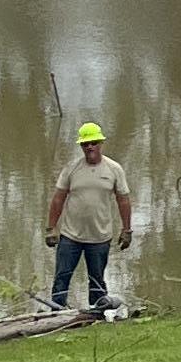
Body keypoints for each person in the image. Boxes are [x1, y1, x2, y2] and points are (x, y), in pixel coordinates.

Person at [45, 122, 134, 310]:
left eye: (93, 143)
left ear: (100, 143)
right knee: (62, 277)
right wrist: (51, 227)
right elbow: (58, 199)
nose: (90, 147)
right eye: (85, 144)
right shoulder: (71, 168)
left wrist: (127, 230)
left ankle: (98, 313)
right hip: (71, 236)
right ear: (81, 146)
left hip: (99, 237)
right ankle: (56, 313)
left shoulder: (114, 169)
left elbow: (123, 200)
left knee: (97, 280)